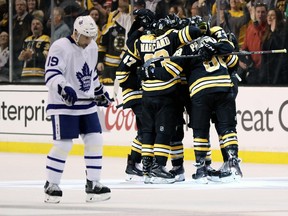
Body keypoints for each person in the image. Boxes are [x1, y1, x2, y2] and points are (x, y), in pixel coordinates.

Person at [44, 15, 112, 203]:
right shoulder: (59, 47)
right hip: (63, 105)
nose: (89, 41)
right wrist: (64, 88)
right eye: (85, 37)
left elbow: (91, 75)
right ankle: (51, 184)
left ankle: (93, 183)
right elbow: (51, 75)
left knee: (95, 139)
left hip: (86, 103)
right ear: (75, 32)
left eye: (91, 37)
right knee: (64, 144)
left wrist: (100, 92)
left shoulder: (92, 46)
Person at [134, 16, 202, 184]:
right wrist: (186, 28)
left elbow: (131, 45)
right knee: (165, 133)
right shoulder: (172, 36)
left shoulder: (143, 40)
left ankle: (147, 170)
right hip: (166, 93)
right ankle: (160, 167)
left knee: (148, 132)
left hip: (146, 93)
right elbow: (194, 31)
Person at [239, 2, 268, 84]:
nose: (260, 14)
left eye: (263, 12)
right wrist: (242, 61)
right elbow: (244, 47)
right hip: (253, 68)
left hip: (266, 69)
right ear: (254, 13)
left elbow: (262, 40)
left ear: (266, 13)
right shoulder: (250, 28)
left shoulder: (269, 28)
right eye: (258, 12)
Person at [260, 8, 288, 84]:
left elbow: (279, 46)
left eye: (272, 15)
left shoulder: (283, 31)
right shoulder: (267, 32)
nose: (269, 17)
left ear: (278, 18)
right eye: (268, 15)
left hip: (279, 71)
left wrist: (274, 32)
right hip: (267, 70)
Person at [18, 18, 50, 83]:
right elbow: (20, 56)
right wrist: (21, 56)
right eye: (33, 24)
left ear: (42, 27)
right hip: (25, 73)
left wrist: (33, 54)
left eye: (37, 24)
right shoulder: (26, 40)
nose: (35, 25)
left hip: (39, 73)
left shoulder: (46, 39)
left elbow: (46, 56)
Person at [13, 0, 34, 81]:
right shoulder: (13, 19)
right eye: (17, 5)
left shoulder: (30, 18)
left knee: (20, 73)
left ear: (25, 7)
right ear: (15, 7)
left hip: (24, 50)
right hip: (14, 50)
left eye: (21, 5)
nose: (19, 7)